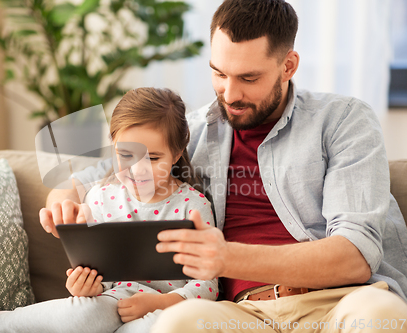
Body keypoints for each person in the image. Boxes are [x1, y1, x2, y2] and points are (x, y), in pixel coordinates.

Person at [41, 1, 407, 332]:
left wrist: (228, 257)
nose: (230, 94)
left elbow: (355, 256)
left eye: (249, 78)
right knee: (175, 324)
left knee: (380, 316)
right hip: (242, 315)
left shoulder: (343, 120)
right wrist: (65, 192)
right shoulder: (195, 130)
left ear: (288, 66)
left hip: (340, 301)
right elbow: (110, 166)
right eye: (219, 73)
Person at [0, 87, 218, 333]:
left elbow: (208, 284)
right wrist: (85, 286)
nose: (137, 170)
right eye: (125, 155)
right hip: (108, 304)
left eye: (154, 158)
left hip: (165, 311)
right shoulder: (100, 198)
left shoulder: (193, 206)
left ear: (178, 151)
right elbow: (91, 270)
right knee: (83, 314)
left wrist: (159, 303)